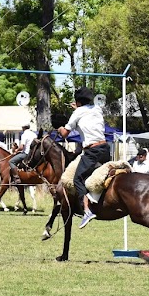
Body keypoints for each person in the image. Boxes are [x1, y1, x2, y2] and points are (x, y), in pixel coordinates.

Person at [57, 87, 110, 229]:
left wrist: (60, 127)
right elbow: (85, 112)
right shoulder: (97, 109)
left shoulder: (77, 112)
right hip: (105, 148)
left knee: (77, 179)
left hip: (92, 151)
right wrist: (77, 108)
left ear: (78, 101)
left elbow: (64, 134)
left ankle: (87, 210)